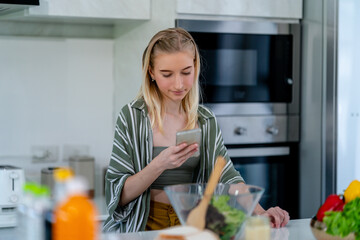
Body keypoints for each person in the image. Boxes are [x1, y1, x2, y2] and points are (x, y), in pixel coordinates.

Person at [103, 27, 290, 233]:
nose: (179, 84)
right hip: (144, 225)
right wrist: (160, 164)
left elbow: (226, 175)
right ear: (151, 72)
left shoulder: (205, 120)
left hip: (192, 225)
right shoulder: (132, 117)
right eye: (167, 74)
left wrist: (260, 212)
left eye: (186, 72)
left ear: (195, 67)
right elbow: (118, 194)